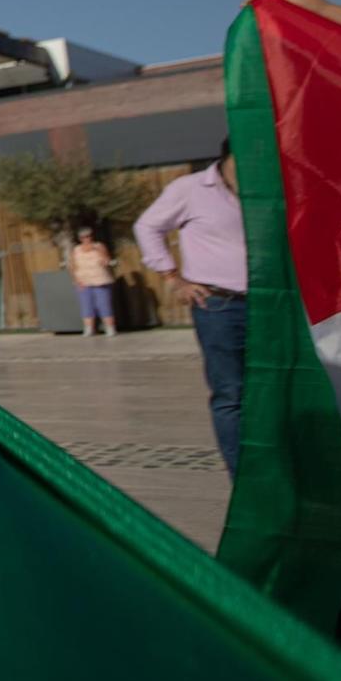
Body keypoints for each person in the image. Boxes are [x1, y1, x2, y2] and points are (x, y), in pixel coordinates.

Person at [134, 139, 246, 474]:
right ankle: (243, 477)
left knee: (277, 388)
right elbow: (147, 226)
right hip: (219, 306)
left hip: (272, 302)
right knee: (232, 393)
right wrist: (173, 278)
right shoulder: (191, 188)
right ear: (226, 157)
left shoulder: (269, 185)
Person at [69, 226, 118, 337]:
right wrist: (76, 280)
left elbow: (106, 261)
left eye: (89, 236)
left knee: (104, 304)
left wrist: (99, 252)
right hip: (83, 281)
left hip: (100, 280)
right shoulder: (76, 249)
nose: (86, 239)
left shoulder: (99, 246)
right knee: (86, 305)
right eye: (83, 237)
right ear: (80, 238)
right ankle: (89, 329)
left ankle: (110, 328)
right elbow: (73, 266)